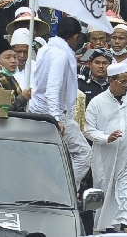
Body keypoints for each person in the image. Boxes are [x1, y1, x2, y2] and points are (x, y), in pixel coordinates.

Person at [84, 62, 127, 233]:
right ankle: (109, 231)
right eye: (123, 82)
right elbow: (88, 130)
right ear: (111, 81)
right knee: (106, 200)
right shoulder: (97, 103)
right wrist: (107, 138)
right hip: (105, 162)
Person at [29, 16, 92, 187]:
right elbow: (52, 88)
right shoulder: (60, 55)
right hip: (51, 113)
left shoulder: (47, 48)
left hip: (39, 110)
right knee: (84, 153)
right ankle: (66, 189)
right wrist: (56, 119)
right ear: (75, 36)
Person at [0, 39, 30, 111]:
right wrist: (23, 98)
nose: (13, 61)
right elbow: (1, 111)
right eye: (8, 57)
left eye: (14, 57)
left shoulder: (11, 79)